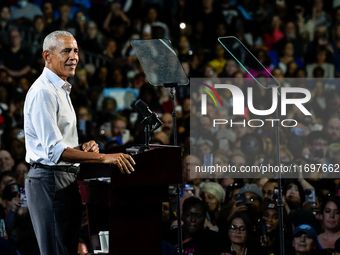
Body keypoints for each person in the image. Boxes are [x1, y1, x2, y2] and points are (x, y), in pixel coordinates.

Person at [23, 30, 135, 255]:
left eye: (75, 51)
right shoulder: (44, 92)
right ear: (47, 56)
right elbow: (54, 151)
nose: (73, 56)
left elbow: (60, 144)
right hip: (50, 181)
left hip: (63, 180)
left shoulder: (61, 88)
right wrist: (104, 157)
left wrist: (80, 148)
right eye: (66, 51)